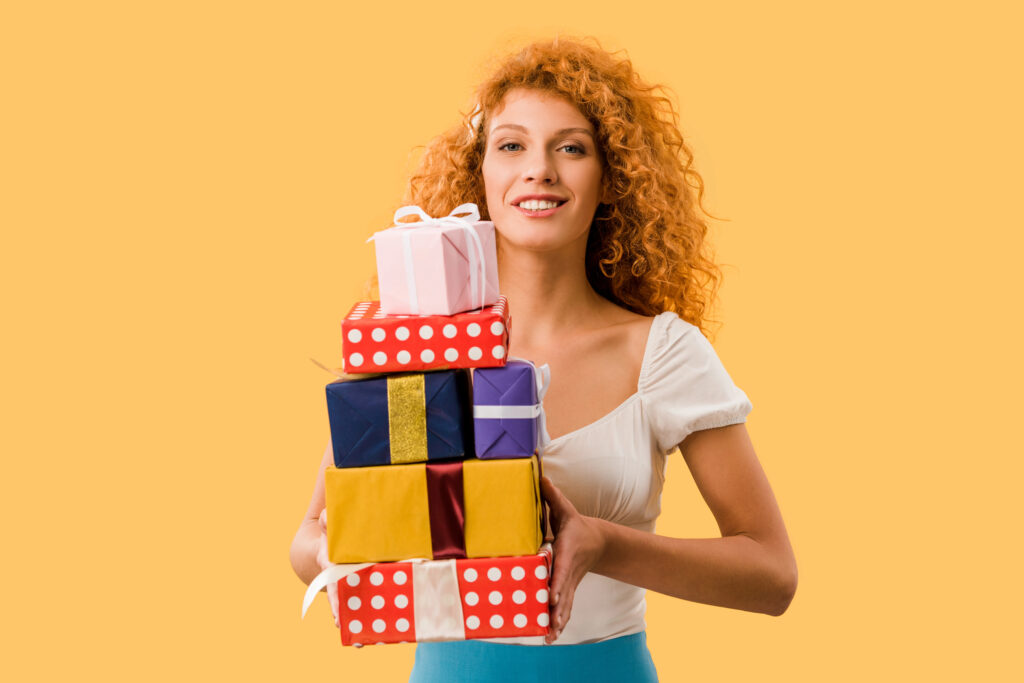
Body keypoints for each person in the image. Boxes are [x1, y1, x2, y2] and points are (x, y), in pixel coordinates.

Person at [291, 38, 797, 682]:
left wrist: (606, 543)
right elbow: (308, 540)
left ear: (611, 178)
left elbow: (772, 576)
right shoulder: (420, 348)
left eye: (571, 147)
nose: (540, 170)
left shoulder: (662, 354)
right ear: (481, 175)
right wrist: (369, 557)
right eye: (511, 145)